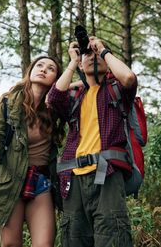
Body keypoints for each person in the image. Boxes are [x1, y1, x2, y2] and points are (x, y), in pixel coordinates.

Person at [47, 36, 137, 247]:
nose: (93, 57)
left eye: (97, 54)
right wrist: (73, 61)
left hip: (108, 173)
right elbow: (52, 98)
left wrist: (102, 50)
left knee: (111, 235)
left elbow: (129, 77)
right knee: (74, 238)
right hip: (73, 178)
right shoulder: (75, 96)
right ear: (80, 63)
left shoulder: (116, 90)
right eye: (88, 54)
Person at [0, 56, 64, 247]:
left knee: (45, 244)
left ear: (56, 79)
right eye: (40, 65)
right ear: (30, 70)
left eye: (51, 69)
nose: (43, 69)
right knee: (11, 244)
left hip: (41, 182)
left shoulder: (56, 109)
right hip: (10, 180)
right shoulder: (8, 103)